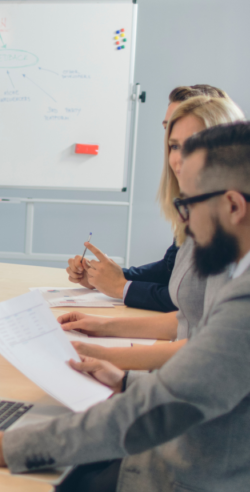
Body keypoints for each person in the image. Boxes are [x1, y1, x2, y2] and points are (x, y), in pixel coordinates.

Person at [0, 121, 250, 492]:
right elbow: (204, 381)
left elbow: (164, 407)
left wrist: (11, 447)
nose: (182, 220)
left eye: (188, 204)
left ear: (233, 206)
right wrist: (125, 380)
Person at [61, 94, 244, 370]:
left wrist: (108, 359)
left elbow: (209, 351)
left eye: (193, 145)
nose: (179, 159)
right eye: (173, 144)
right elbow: (186, 316)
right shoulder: (194, 223)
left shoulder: (229, 238)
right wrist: (103, 325)